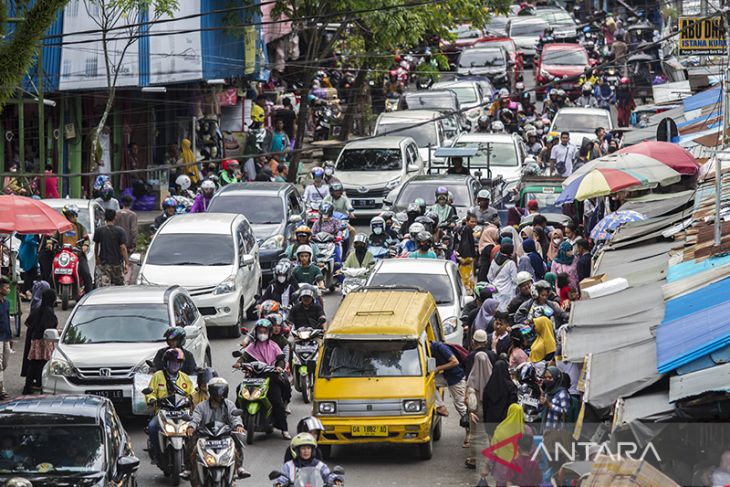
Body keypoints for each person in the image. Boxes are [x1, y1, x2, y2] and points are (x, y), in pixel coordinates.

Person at [186, 377, 248, 481]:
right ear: (212, 391)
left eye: (223, 390)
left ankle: (239, 467)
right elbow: (195, 418)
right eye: (218, 390)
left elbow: (235, 417)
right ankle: (188, 469)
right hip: (205, 436)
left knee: (237, 439)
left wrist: (238, 426)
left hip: (224, 436)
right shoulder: (201, 406)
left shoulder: (229, 405)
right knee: (191, 440)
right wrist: (191, 426)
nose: (221, 394)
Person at [239, 319, 291, 439]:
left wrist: (279, 367)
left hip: (270, 377)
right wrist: (239, 363)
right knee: (239, 392)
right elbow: (244, 357)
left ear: (269, 333)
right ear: (256, 332)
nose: (262, 334)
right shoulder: (252, 346)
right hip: (254, 377)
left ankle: (284, 429)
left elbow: (281, 360)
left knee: (277, 402)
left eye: (264, 331)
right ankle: (238, 423)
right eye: (260, 331)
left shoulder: (274, 346)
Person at [145, 349, 194, 462]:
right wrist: (152, 399)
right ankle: (157, 454)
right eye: (172, 362)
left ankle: (191, 457)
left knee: (194, 429)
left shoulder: (185, 378)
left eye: (177, 362)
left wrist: (192, 400)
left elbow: (192, 393)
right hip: (163, 411)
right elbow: (151, 392)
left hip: (182, 412)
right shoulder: (158, 376)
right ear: (166, 363)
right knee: (152, 427)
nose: (174, 365)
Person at [21, 288, 57, 394]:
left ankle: (28, 387)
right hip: (45, 342)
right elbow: (50, 325)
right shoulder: (49, 311)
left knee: (33, 364)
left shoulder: (39, 309)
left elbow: (29, 322)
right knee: (43, 365)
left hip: (36, 341)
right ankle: (41, 385)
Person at [273, 433, 342, 487]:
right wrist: (279, 483)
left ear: (312, 450)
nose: (306, 451)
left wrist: (336, 479)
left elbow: (327, 475)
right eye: (303, 448)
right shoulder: (288, 466)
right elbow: (283, 478)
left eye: (308, 448)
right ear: (297, 451)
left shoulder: (320, 465)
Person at [464, 347, 493, 472]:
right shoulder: (493, 376)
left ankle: (473, 459)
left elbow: (468, 399)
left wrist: (470, 410)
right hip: (489, 410)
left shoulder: (472, 378)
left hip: (475, 411)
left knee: (475, 435)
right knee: (489, 434)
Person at [55, 204, 93, 293]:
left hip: (78, 255)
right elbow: (53, 237)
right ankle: (53, 294)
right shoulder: (60, 227)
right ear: (67, 216)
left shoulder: (80, 227)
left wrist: (85, 245)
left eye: (75, 215)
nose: (75, 217)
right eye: (73, 215)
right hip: (63, 255)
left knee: (86, 274)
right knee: (51, 274)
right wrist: (50, 243)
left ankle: (89, 294)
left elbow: (86, 239)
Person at [430, 340, 467, 419]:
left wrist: (438, 369)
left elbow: (455, 362)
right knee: (429, 382)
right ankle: (440, 407)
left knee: (461, 407)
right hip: (448, 376)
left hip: (456, 378)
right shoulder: (432, 350)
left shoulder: (440, 347)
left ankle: (473, 428)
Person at [93, 209, 129, 287]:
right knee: (119, 287)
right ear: (115, 217)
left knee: (104, 287)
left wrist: (97, 258)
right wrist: (126, 263)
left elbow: (96, 246)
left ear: (104, 218)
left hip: (104, 263)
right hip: (117, 263)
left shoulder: (99, 230)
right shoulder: (120, 231)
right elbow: (123, 248)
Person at [482, 360, 518, 436]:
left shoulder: (489, 386)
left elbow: (485, 404)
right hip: (505, 420)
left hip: (491, 420)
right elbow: (513, 404)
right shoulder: (510, 386)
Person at [488, 238, 517, 310]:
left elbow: (489, 276)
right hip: (507, 293)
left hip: (495, 290)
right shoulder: (511, 263)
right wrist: (513, 293)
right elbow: (514, 280)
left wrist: (494, 284)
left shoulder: (494, 261)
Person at [115, 195, 137, 284]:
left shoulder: (117, 214)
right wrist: (134, 243)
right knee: (128, 263)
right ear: (131, 203)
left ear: (122, 203)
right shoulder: (133, 215)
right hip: (128, 244)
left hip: (117, 243)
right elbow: (134, 230)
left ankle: (119, 279)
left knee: (118, 262)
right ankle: (126, 281)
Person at [455, 213, 478, 290]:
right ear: (467, 221)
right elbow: (465, 244)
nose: (474, 223)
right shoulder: (467, 230)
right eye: (472, 221)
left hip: (460, 257)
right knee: (466, 279)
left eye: (475, 222)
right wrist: (467, 258)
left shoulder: (463, 229)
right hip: (465, 259)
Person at [18, 234, 39, 300]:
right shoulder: (32, 230)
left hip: (26, 251)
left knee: (30, 272)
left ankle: (26, 291)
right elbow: (28, 239)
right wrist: (37, 243)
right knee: (31, 272)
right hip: (29, 252)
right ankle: (25, 291)